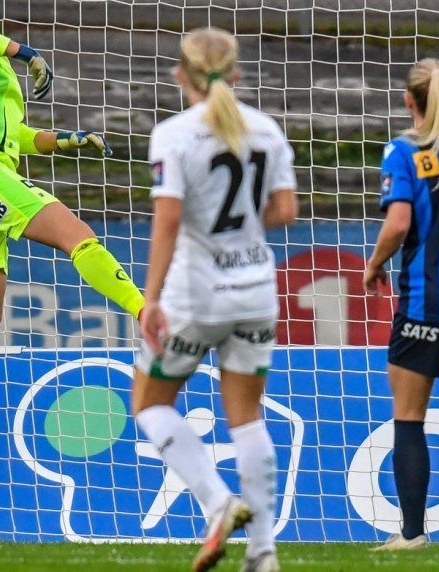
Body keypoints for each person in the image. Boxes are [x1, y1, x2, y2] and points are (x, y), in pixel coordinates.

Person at [0, 0, 145, 490]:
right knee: (78, 236)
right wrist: (29, 54)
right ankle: (149, 315)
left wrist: (68, 139)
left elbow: (19, 136)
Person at [133, 28, 297, 572]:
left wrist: (151, 298)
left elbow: (168, 222)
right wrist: (242, 231)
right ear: (237, 73)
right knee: (247, 419)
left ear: (181, 75)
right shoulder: (267, 130)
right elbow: (285, 210)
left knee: (150, 404)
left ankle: (217, 502)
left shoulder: (174, 134)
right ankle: (264, 553)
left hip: (196, 295)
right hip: (256, 292)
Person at [363, 58, 439, 552]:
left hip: (425, 303)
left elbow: (398, 223)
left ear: (408, 100)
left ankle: (413, 534)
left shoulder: (406, 151)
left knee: (410, 415)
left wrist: (374, 264)